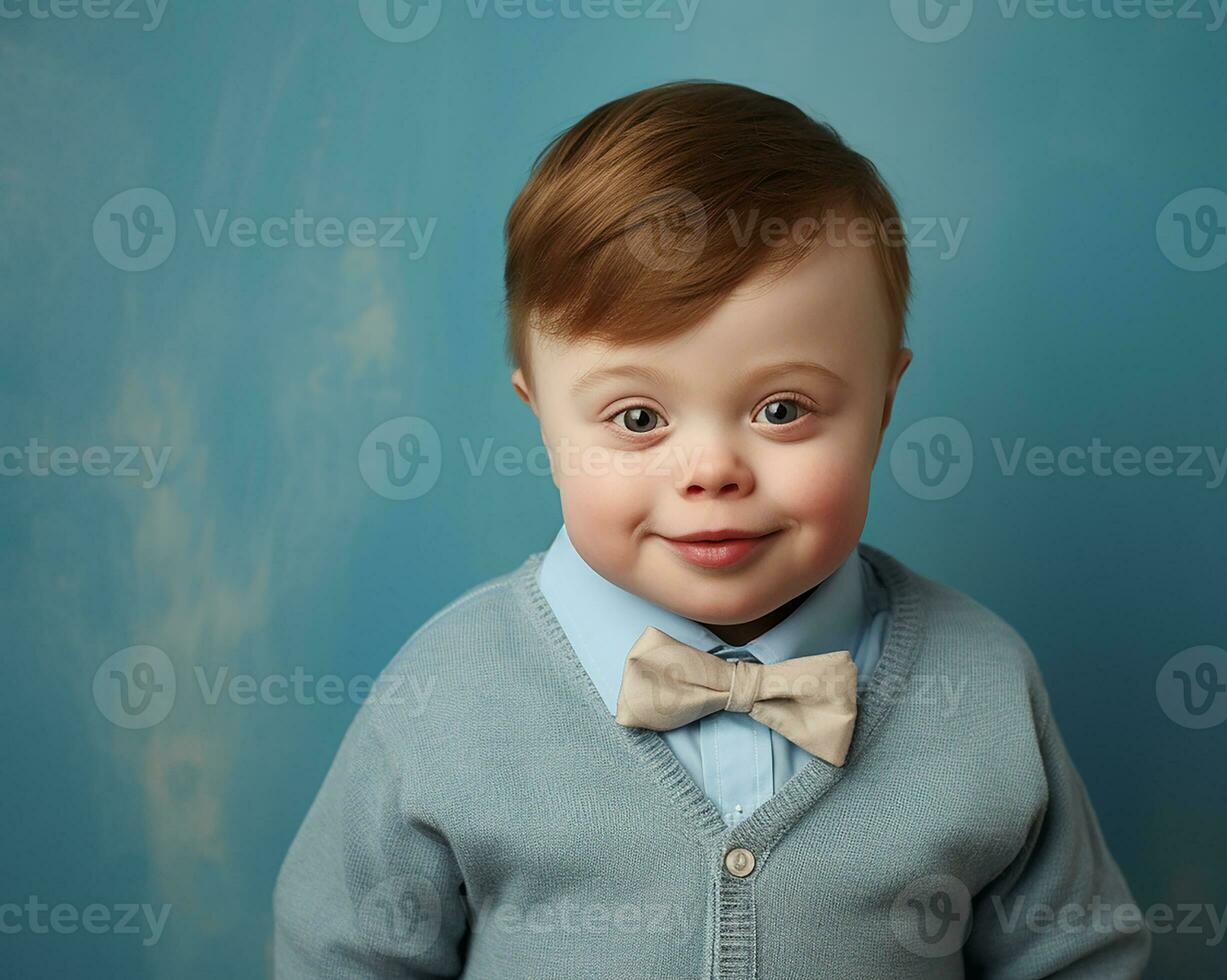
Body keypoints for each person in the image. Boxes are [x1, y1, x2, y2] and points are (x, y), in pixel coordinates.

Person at [273, 79, 1150, 979]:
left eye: (782, 408)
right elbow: (341, 955)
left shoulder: (982, 683)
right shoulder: (448, 695)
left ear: (885, 404)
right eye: (638, 419)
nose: (712, 471)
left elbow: (1078, 958)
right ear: (540, 418)